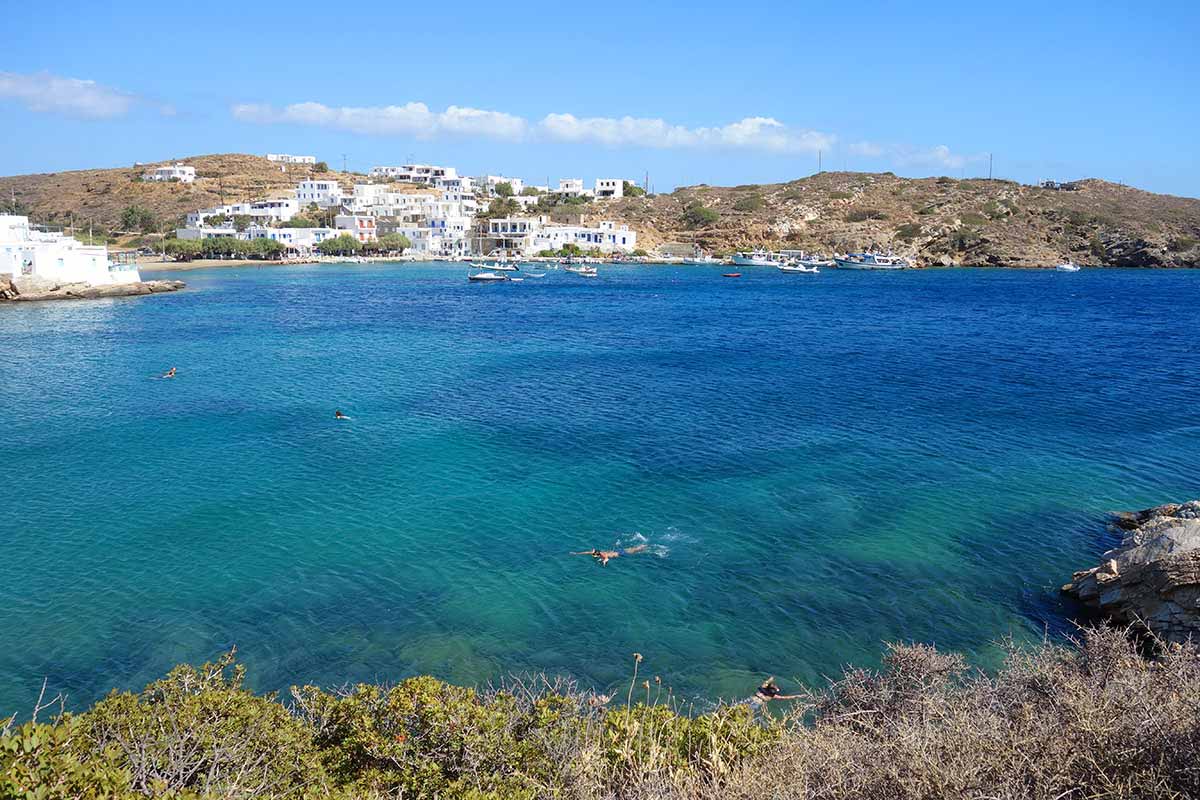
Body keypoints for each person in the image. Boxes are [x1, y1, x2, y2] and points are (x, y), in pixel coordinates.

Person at [572, 544, 648, 566]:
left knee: (633, 551)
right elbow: (587, 552)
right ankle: (642, 546)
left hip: (620, 553)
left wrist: (604, 563)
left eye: (595, 555)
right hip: (616, 551)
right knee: (631, 549)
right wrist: (576, 553)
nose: (594, 556)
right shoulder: (598, 552)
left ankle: (643, 547)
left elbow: (606, 559)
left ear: (597, 554)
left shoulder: (603, 555)